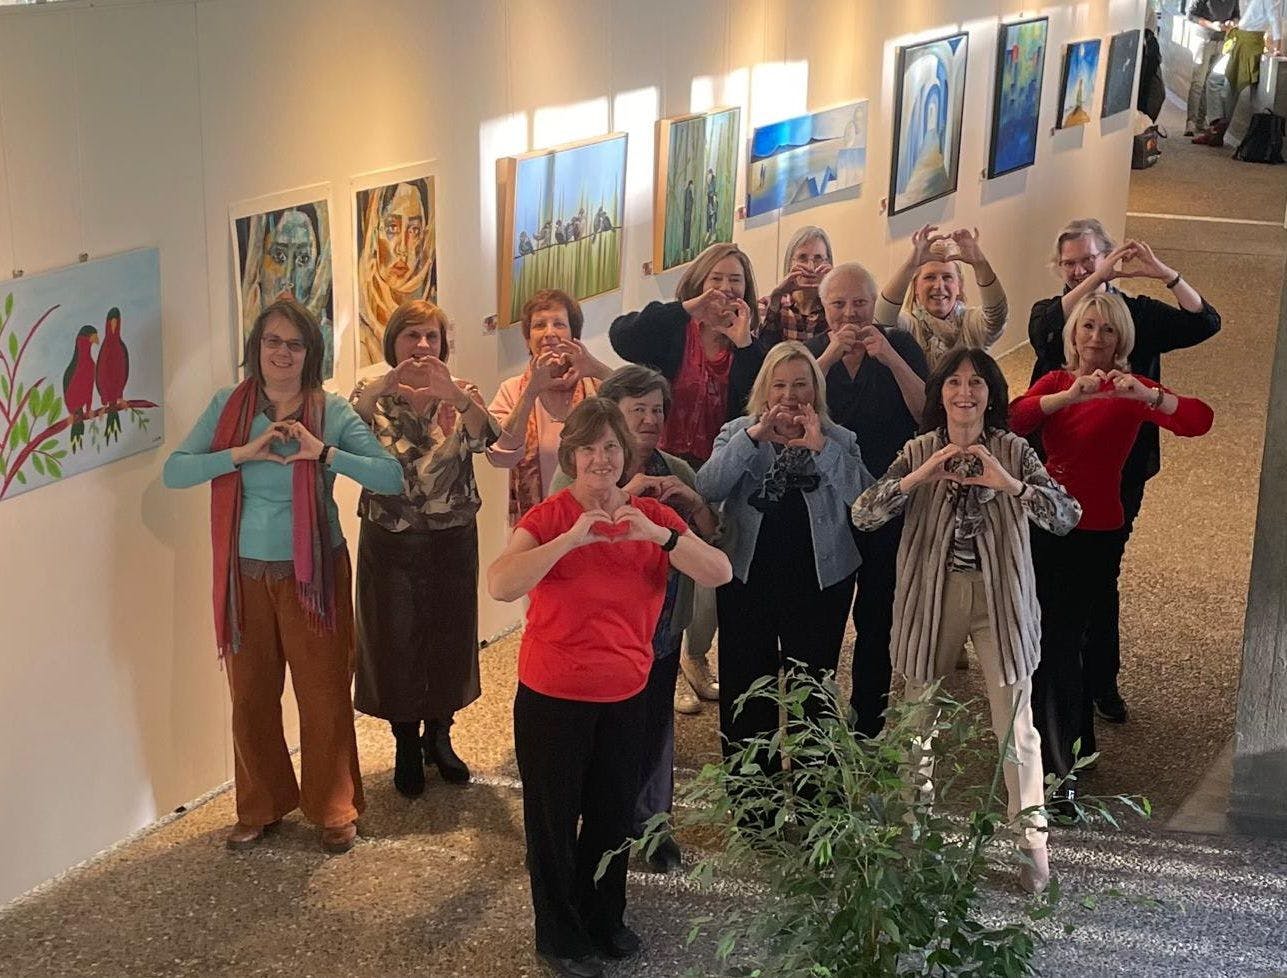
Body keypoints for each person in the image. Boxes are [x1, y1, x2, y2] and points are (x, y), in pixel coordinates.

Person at [488, 398, 731, 978]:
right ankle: (559, 935)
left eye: (612, 448)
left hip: (625, 694)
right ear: (572, 456)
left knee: (611, 814)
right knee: (553, 822)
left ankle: (604, 918)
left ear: (626, 455)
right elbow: (500, 583)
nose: (601, 459)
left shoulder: (651, 517)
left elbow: (719, 571)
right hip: (552, 696)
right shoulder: (549, 517)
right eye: (590, 449)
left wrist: (660, 536)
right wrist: (571, 541)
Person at [162, 298, 403, 853]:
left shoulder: (331, 411)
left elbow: (390, 477)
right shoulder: (228, 406)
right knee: (249, 697)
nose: (282, 353)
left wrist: (324, 454)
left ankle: (334, 807)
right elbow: (176, 471)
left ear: (310, 353)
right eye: (273, 341)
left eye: (295, 344)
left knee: (323, 695)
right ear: (257, 347)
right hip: (244, 576)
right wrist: (240, 453)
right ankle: (261, 804)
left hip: (313, 576)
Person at [852, 348, 1082, 894]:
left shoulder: (1014, 450)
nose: (964, 392)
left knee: (1016, 727)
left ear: (990, 393)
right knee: (916, 720)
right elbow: (864, 514)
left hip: (1001, 598)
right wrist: (920, 476)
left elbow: (1067, 516)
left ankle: (1032, 842)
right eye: (954, 382)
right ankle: (911, 834)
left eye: (976, 382)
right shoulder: (918, 450)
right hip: (931, 596)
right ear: (940, 394)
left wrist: (1010, 484)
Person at [1011, 292, 1214, 785]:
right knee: (1045, 639)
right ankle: (1061, 746)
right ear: (1073, 334)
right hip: (1046, 525)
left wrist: (1149, 396)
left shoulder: (1132, 388)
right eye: (1088, 327)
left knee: (1064, 641)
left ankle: (1062, 762)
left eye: (1107, 330)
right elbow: (1014, 419)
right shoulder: (1057, 381)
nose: (1096, 338)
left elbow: (1199, 420)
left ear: (1122, 338)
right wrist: (1067, 398)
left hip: (1097, 529)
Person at [1028, 220, 1220, 723]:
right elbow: (1041, 344)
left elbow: (1205, 323)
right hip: (1051, 477)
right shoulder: (1055, 316)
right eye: (1069, 263)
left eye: (1089, 259)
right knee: (1050, 596)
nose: (1079, 270)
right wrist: (1097, 282)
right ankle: (1054, 687)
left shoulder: (1139, 315)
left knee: (1098, 581)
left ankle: (1099, 682)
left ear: (1110, 255)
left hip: (1119, 472)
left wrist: (1161, 272)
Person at [550, 366, 721, 874]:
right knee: (596, 738)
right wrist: (625, 495)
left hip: (661, 629)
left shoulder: (678, 470)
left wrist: (692, 501)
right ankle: (595, 828)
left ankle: (653, 826)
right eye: (637, 410)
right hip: (598, 635)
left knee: (654, 730)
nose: (650, 420)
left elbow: (712, 543)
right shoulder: (577, 474)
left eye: (657, 410)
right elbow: (559, 549)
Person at [696, 342, 872, 767]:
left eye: (800, 384)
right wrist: (753, 438)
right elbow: (707, 486)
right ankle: (752, 799)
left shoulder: (839, 438)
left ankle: (817, 799)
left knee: (812, 693)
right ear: (764, 391)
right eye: (779, 385)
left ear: (816, 390)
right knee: (746, 690)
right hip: (746, 581)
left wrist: (822, 448)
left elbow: (867, 502)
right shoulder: (738, 432)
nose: (790, 395)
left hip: (820, 584)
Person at [349, 300, 498, 798]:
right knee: (393, 643)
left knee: (449, 640)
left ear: (443, 345)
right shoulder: (370, 396)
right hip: (389, 538)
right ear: (393, 342)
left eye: (432, 336)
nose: (422, 345)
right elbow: (342, 436)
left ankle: (440, 736)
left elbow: (487, 441)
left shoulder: (462, 394)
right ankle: (404, 743)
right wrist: (381, 388)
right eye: (411, 335)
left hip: (451, 537)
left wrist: (455, 395)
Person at [610, 243, 764, 712]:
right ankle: (664, 660)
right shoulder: (675, 330)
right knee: (662, 568)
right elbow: (622, 336)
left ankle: (694, 655)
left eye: (735, 280)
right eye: (716, 279)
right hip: (665, 463)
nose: (725, 289)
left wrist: (745, 345)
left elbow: (757, 403)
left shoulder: (749, 343)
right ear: (699, 283)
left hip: (720, 469)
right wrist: (686, 309)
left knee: (711, 575)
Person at [803, 262, 930, 737]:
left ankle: (868, 725)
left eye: (860, 303)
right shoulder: (811, 353)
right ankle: (815, 726)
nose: (850, 314)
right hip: (825, 506)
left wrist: (891, 359)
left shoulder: (901, 345)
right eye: (838, 304)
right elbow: (786, 406)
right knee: (823, 618)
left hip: (888, 502)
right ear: (824, 309)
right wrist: (828, 357)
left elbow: (927, 413)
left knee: (878, 616)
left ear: (875, 305)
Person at [488, 289, 612, 524]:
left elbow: (638, 399)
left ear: (574, 336)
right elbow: (500, 456)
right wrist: (531, 391)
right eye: (539, 325)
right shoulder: (511, 390)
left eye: (559, 324)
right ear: (528, 339)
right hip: (535, 526)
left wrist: (596, 368)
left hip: (596, 521)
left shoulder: (597, 387)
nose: (549, 333)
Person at [875, 224, 1008, 370]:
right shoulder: (910, 326)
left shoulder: (971, 324)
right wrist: (910, 265)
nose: (939, 285)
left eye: (947, 277)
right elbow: (881, 322)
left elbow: (997, 316)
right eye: (930, 277)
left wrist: (981, 264)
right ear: (916, 287)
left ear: (959, 286)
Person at [356, 180, 436, 368]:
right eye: (392, 228)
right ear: (374, 232)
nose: (403, 249)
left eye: (414, 230)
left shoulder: (433, 309)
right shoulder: (359, 333)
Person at [1194, 0, 1284, 146]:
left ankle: (1216, 130)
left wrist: (1277, 47)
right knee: (1217, 80)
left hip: (1250, 42)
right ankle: (1217, 125)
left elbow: (1275, 19)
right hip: (1241, 38)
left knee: (1232, 87)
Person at [757, 225, 834, 346]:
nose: (810, 267)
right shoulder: (766, 305)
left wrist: (836, 288)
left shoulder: (836, 308)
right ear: (789, 263)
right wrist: (776, 297)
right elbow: (758, 349)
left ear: (828, 263)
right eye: (802, 258)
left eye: (818, 258)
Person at [1185, 0, 1241, 137]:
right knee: (1198, 82)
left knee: (1209, 81)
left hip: (1222, 41)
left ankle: (1201, 121)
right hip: (1203, 39)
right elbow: (1191, 15)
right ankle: (1191, 122)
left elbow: (1236, 15)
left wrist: (1232, 22)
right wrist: (1212, 25)